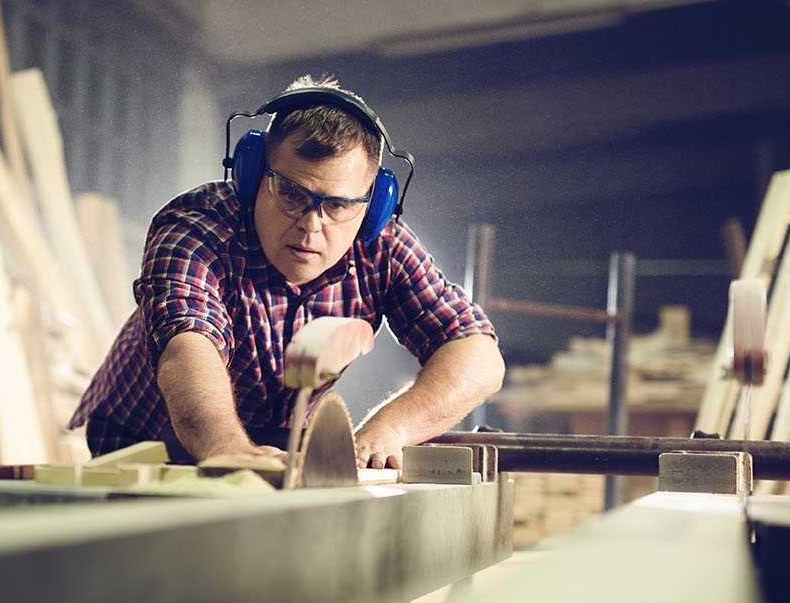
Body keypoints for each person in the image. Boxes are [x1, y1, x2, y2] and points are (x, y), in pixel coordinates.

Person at [69, 75, 503, 469]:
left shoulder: (382, 243)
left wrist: (390, 429)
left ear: (374, 207)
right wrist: (226, 448)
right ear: (252, 174)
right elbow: (188, 347)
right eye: (292, 195)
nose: (311, 225)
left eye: (337, 205)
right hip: (144, 438)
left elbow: (476, 355)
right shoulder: (196, 225)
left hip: (274, 441)